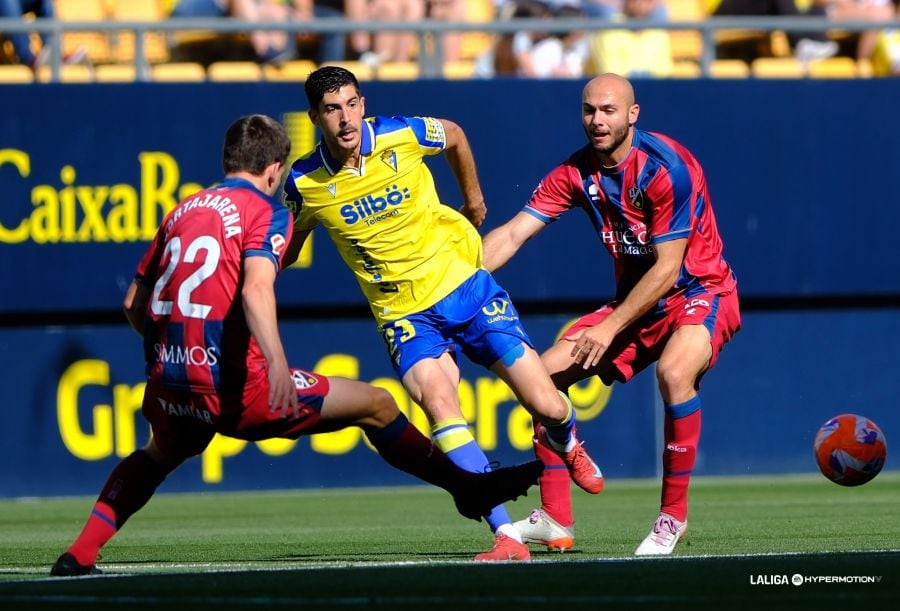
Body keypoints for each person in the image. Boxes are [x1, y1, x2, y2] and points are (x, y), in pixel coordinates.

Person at [49, 114, 543, 577]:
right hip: (239, 387)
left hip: (172, 378)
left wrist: (169, 351)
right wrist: (277, 365)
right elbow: (256, 289)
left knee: (158, 455)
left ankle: (79, 553)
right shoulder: (265, 211)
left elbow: (134, 303)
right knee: (377, 405)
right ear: (273, 170)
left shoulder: (182, 211)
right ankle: (468, 488)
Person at [282, 66, 604, 562]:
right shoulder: (305, 182)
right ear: (314, 117)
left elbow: (454, 134)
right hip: (404, 316)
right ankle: (506, 535)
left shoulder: (400, 134)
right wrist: (252, 270)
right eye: (331, 109)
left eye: (351, 104)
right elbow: (288, 244)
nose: (345, 118)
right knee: (438, 404)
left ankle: (567, 439)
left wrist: (474, 200)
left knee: (546, 404)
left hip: (465, 288)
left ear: (363, 104)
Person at [482, 73, 741, 556]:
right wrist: (453, 278)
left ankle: (672, 517)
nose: (597, 120)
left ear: (632, 114)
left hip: (699, 290)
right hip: (637, 303)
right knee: (539, 379)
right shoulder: (575, 172)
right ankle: (555, 519)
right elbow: (514, 234)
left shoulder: (666, 168)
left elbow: (667, 269)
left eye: (608, 110)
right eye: (589, 110)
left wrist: (608, 327)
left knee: (674, 373)